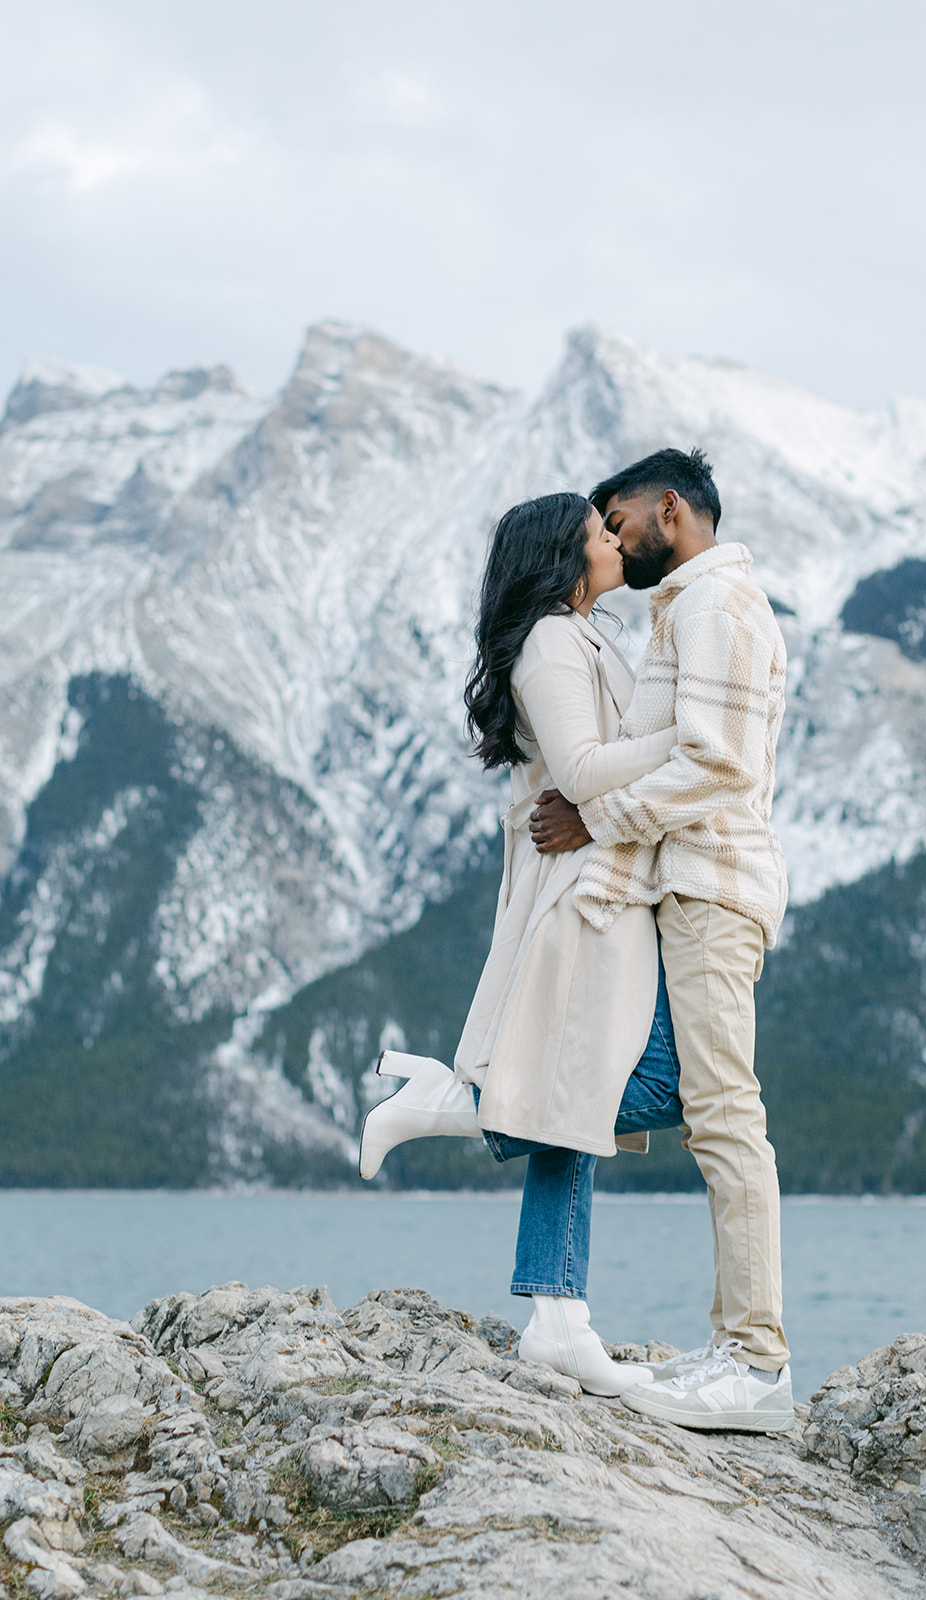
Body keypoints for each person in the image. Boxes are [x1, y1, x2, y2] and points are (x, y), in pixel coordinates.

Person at [359, 491, 688, 1399]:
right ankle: (447, 1101)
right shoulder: (550, 640)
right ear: (561, 557)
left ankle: (556, 1316)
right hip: (583, 897)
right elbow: (580, 771)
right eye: (596, 533)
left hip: (608, 883)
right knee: (668, 1078)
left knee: (578, 1096)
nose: (613, 540)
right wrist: (687, 739)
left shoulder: (583, 634)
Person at [531, 447, 794, 1433]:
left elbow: (716, 765)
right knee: (701, 1105)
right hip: (688, 884)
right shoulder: (688, 606)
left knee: (725, 1114)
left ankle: (755, 1362)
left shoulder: (710, 604)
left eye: (618, 517)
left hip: (711, 885)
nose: (611, 535)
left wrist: (597, 820)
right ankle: (735, 1345)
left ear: (669, 509)